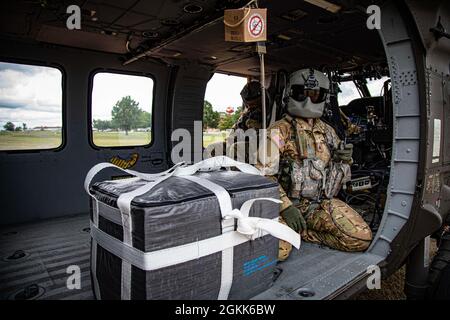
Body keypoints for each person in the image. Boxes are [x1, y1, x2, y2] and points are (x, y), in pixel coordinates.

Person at [257, 69, 372, 261]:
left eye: (315, 94)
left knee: (360, 239)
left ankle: (303, 234)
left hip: (318, 204)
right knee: (277, 252)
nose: (308, 99)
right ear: (290, 94)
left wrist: (345, 159)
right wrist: (286, 207)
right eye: (303, 93)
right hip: (285, 207)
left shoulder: (328, 132)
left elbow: (341, 174)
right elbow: (263, 175)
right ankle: (292, 233)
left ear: (323, 97)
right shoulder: (278, 131)